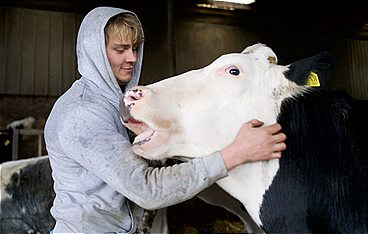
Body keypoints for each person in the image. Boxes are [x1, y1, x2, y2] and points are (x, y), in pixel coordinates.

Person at [44, 6, 286, 233]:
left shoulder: (114, 103)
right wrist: (235, 153)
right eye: (120, 50)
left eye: (135, 48)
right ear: (94, 52)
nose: (132, 58)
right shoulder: (82, 113)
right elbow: (146, 189)